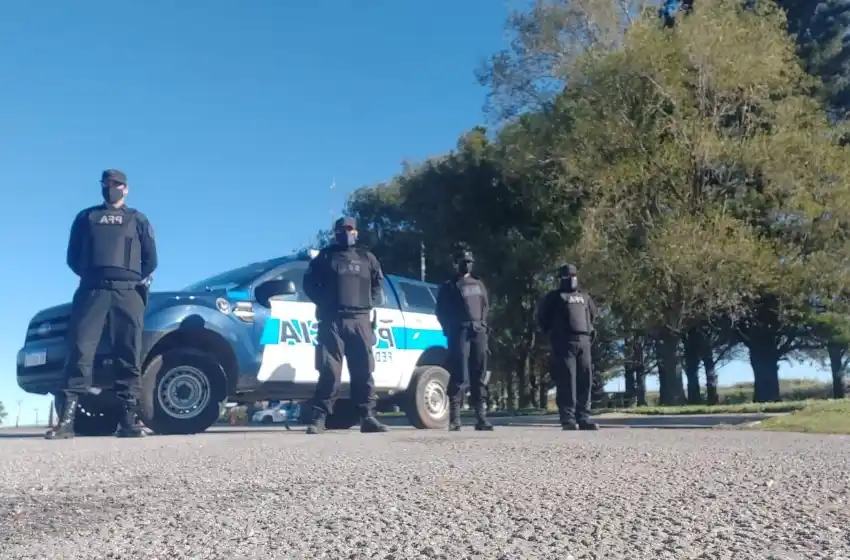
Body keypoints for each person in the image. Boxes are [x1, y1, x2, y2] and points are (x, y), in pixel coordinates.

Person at [45, 169, 158, 440]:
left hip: (128, 292)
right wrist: (95, 276)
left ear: (126, 188)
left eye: (116, 184)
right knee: (80, 352)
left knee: (128, 354)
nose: (112, 188)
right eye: (107, 184)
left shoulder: (138, 219)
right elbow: (73, 257)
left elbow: (151, 260)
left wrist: (127, 279)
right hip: (92, 291)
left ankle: (129, 421)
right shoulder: (86, 217)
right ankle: (67, 421)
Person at [302, 217, 389, 435]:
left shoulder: (367, 258)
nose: (346, 232)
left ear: (356, 232)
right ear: (336, 232)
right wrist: (324, 301)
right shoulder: (325, 257)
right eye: (341, 229)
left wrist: (371, 301)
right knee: (329, 370)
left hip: (360, 320)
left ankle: (367, 417)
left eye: (350, 229)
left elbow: (378, 283)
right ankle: (319, 418)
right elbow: (309, 284)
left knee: (363, 370)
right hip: (332, 320)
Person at [435, 247, 493, 431]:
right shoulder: (448, 286)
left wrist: (483, 325)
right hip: (459, 331)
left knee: (479, 373)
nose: (466, 264)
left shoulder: (479, 284)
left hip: (479, 331)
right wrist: (449, 330)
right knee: (459, 374)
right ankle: (455, 418)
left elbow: (486, 306)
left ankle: (481, 417)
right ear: (456, 263)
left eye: (469, 261)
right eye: (463, 261)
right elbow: (440, 311)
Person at [536, 264, 600, 431]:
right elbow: (542, 319)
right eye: (567, 277)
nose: (571, 279)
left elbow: (593, 316)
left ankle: (584, 417)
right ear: (560, 279)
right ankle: (568, 418)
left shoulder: (584, 297)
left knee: (584, 379)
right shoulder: (553, 298)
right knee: (567, 381)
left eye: (573, 276)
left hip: (584, 341)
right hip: (564, 342)